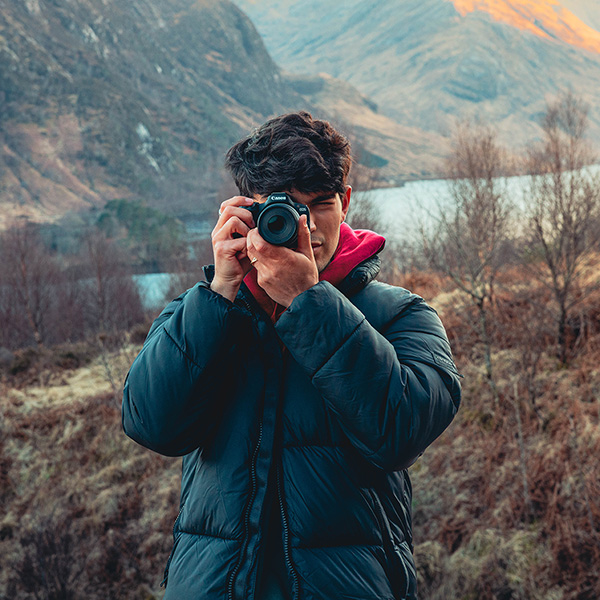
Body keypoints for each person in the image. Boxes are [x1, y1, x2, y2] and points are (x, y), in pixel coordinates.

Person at [122, 111, 461, 600]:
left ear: (345, 201)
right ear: (245, 212)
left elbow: (399, 432)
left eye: (321, 204)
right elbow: (150, 424)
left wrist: (310, 303)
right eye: (283, 210)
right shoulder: (204, 313)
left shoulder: (402, 316)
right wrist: (219, 292)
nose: (307, 226)